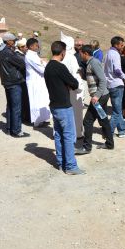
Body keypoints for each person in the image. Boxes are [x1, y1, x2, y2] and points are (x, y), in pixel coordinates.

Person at [44, 41, 85, 175]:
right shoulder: (60, 67)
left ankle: (61, 163)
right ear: (63, 52)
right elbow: (73, 83)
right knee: (68, 136)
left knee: (59, 135)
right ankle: (71, 166)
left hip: (54, 105)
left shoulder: (48, 66)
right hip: (63, 105)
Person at [76, 45, 114, 153]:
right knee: (103, 119)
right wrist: (82, 75)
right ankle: (109, 144)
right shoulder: (90, 63)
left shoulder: (94, 63)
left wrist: (96, 96)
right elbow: (92, 78)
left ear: (85, 53)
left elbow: (102, 80)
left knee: (87, 121)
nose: (80, 55)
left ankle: (87, 147)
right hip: (101, 96)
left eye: (81, 53)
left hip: (100, 97)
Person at [0, 32, 29, 137]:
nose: (15, 42)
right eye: (13, 40)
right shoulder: (8, 52)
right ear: (8, 41)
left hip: (7, 81)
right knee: (16, 107)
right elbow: (21, 63)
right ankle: (17, 131)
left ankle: (9, 128)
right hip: (14, 81)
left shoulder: (1, 51)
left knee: (10, 106)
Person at [104, 36, 125, 138]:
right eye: (121, 45)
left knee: (118, 109)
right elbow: (117, 70)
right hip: (116, 84)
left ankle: (122, 130)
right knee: (116, 111)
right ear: (116, 45)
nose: (122, 47)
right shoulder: (115, 54)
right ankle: (109, 133)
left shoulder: (108, 53)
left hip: (110, 84)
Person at [61, 33, 84, 139]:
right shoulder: (71, 57)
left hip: (62, 90)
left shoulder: (60, 57)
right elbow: (75, 75)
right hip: (73, 90)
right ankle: (77, 133)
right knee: (76, 113)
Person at [25, 38, 51, 127]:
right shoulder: (30, 56)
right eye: (36, 45)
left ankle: (42, 118)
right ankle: (37, 121)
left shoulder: (34, 54)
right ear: (31, 46)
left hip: (39, 81)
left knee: (42, 100)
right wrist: (45, 64)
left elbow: (41, 63)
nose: (38, 46)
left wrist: (43, 63)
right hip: (34, 82)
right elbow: (41, 68)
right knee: (36, 101)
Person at [15, 38, 31, 124]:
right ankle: (25, 117)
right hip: (21, 80)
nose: (27, 48)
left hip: (24, 80)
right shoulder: (18, 56)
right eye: (25, 47)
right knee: (23, 99)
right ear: (21, 48)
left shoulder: (22, 55)